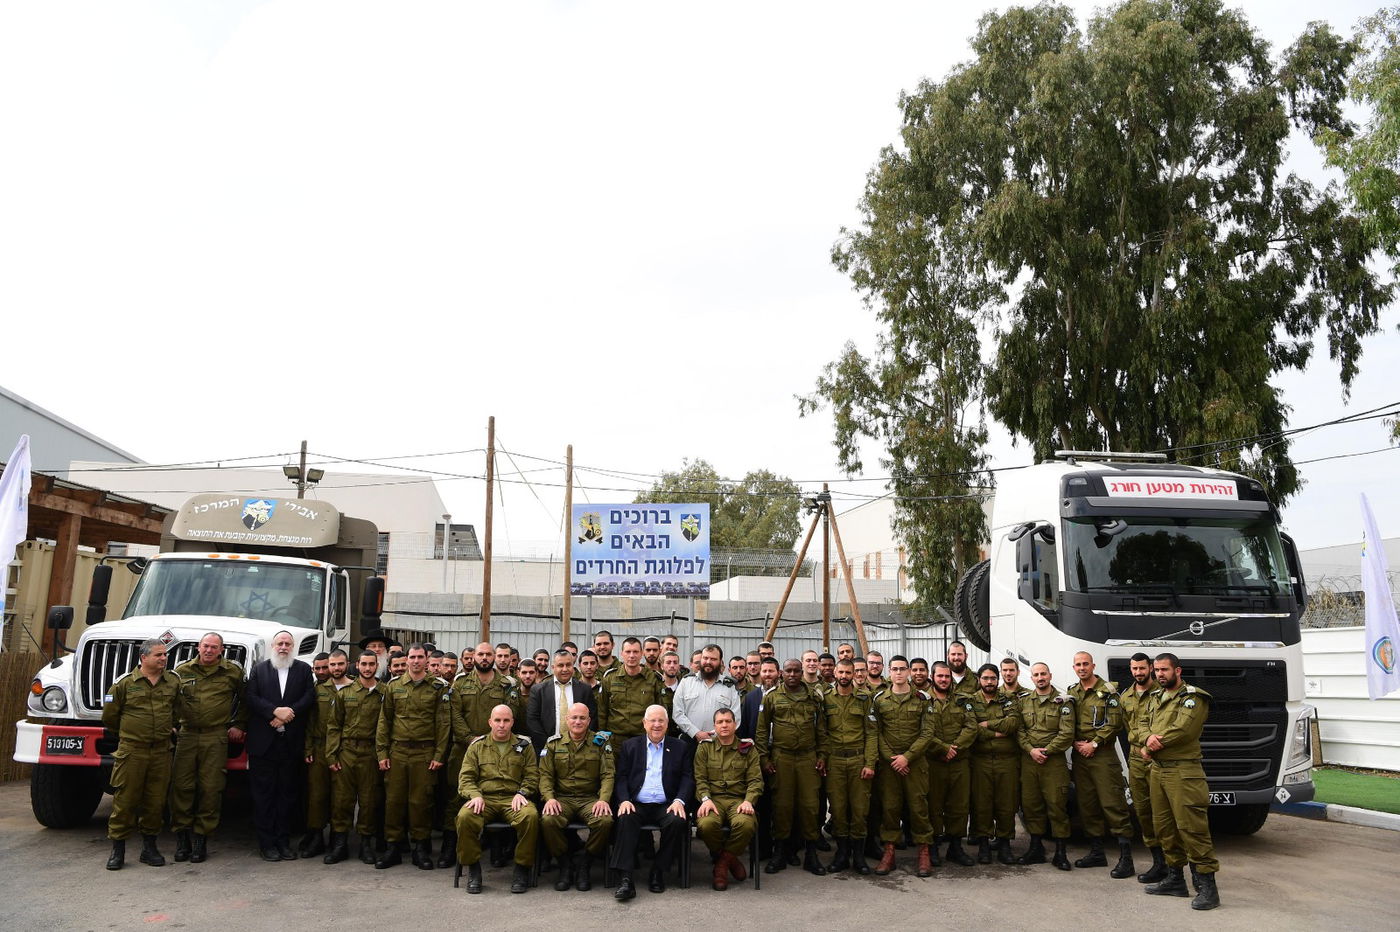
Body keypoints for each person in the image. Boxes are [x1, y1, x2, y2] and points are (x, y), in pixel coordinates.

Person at [1142, 652, 1220, 910]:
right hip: (1158, 771)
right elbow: (1142, 723)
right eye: (1157, 670)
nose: (1160, 674)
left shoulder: (1193, 697)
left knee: (1192, 828)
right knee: (1163, 827)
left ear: (1178, 670)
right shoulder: (1154, 696)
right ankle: (1175, 879)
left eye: (1164, 670)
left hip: (1183, 772)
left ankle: (1207, 886)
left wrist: (1153, 743)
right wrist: (1145, 740)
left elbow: (1184, 729)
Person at [102, 638, 180, 870]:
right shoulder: (125, 684)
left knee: (155, 802)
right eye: (158, 655)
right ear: (143, 658)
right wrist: (132, 734)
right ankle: (118, 851)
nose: (163, 658)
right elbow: (110, 717)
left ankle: (149, 848)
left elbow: (177, 711)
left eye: (165, 654)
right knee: (125, 801)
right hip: (132, 752)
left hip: (161, 752)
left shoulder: (172, 683)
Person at [446, 641, 523, 868]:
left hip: (498, 749)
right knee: (455, 797)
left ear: (495, 657)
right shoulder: (461, 683)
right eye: (480, 654)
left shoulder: (507, 685)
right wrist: (472, 740)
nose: (484, 658)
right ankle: (452, 847)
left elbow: (512, 713)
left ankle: (496, 848)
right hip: (464, 748)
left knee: (496, 794)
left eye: (489, 654)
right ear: (472, 657)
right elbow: (455, 715)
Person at [169, 632, 245, 864]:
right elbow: (169, 700)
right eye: (206, 646)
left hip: (215, 737)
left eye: (214, 647)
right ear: (198, 648)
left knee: (211, 789)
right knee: (181, 787)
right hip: (187, 736)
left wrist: (239, 724)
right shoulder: (182, 671)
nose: (209, 650)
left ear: (221, 650)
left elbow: (245, 699)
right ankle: (183, 839)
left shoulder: (232, 672)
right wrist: (171, 726)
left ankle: (201, 839)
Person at [374, 643, 450, 870]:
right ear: (406, 660)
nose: (416, 661)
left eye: (420, 657)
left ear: (427, 660)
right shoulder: (393, 686)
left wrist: (439, 754)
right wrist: (382, 752)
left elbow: (443, 724)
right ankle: (393, 847)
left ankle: (420, 848)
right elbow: (384, 721)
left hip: (424, 753)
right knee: (394, 801)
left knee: (421, 802)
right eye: (412, 657)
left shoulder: (437, 687)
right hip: (397, 752)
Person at [245, 630, 316, 862]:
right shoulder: (259, 669)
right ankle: (267, 844)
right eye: (280, 643)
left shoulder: (304, 670)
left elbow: (308, 697)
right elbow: (252, 698)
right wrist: (274, 712)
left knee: (287, 796)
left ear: (293, 647)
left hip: (290, 745)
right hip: (263, 745)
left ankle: (283, 842)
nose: (283, 647)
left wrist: (288, 714)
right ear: (272, 646)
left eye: (287, 643)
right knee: (264, 796)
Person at [610, 705, 693, 900]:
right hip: (636, 802)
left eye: (661, 721)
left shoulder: (680, 747)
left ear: (667, 724)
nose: (656, 725)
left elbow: (687, 777)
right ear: (644, 723)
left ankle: (658, 870)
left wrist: (680, 800)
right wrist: (623, 800)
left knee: (677, 821)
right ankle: (626, 879)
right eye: (652, 721)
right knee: (625, 817)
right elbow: (620, 777)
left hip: (667, 803)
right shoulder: (630, 746)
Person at [455, 704, 539, 894]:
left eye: (506, 720)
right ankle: (473, 869)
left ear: (512, 722)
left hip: (513, 799)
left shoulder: (524, 746)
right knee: (465, 817)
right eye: (498, 720)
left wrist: (523, 792)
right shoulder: (477, 746)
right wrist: (475, 795)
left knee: (530, 816)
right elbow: (465, 778)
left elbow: (532, 776)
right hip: (485, 799)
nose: (502, 725)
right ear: (490, 722)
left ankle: (521, 869)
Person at [757, 658, 827, 875]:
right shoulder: (771, 697)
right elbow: (761, 732)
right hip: (782, 758)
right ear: (781, 673)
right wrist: (765, 759)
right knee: (782, 806)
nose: (793, 675)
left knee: (810, 806)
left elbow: (821, 730)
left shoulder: (814, 697)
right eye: (789, 671)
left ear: (802, 671)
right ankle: (780, 852)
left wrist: (822, 755)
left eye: (797, 671)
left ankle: (811, 854)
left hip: (808, 758)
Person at [1068, 651, 1135, 877]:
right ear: (1074, 667)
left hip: (1102, 756)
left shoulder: (1109, 692)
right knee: (1087, 806)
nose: (1082, 667)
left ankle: (1126, 858)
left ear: (1093, 665)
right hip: (1080, 757)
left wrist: (1094, 744)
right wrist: (1076, 743)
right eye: (1078, 664)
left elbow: (1115, 724)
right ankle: (1097, 852)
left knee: (1113, 804)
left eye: (1085, 664)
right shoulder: (1072, 692)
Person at [870, 655, 935, 876]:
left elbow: (927, 733)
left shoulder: (923, 699)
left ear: (908, 672)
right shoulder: (879, 700)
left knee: (918, 808)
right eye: (895, 669)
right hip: (890, 766)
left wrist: (907, 757)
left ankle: (924, 853)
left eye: (902, 669)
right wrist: (892, 759)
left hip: (915, 764)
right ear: (889, 671)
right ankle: (889, 853)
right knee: (890, 808)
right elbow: (876, 732)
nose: (898, 673)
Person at [539, 702, 615, 891]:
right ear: (567, 720)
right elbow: (545, 775)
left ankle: (585, 863)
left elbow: (608, 775)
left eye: (582, 718)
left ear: (589, 720)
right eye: (574, 717)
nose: (578, 721)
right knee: (548, 820)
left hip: (590, 799)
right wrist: (549, 798)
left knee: (604, 821)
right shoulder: (553, 743)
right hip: (562, 799)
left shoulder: (600, 742)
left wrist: (603, 800)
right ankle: (565, 864)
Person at [325, 650, 385, 865]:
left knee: (369, 801)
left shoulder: (384, 692)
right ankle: (340, 844)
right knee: (342, 800)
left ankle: (365, 845)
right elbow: (334, 726)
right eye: (364, 664)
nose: (368, 668)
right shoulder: (345, 693)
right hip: (347, 751)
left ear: (377, 666)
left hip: (371, 753)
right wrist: (331, 756)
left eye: (371, 664)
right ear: (357, 665)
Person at [694, 708, 762, 891]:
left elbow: (756, 780)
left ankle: (722, 864)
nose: (724, 725)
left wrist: (749, 801)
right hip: (713, 800)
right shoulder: (704, 748)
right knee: (706, 825)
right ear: (714, 726)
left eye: (728, 721)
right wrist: (705, 799)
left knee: (746, 824)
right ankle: (731, 861)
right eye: (720, 722)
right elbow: (699, 779)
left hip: (738, 800)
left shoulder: (747, 748)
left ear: (735, 724)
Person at [1015, 662, 1075, 870]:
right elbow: (1019, 730)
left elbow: (1067, 733)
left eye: (1043, 674)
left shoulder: (1063, 702)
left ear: (1050, 675)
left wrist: (1047, 751)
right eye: (1036, 675)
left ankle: (1060, 853)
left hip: (1053, 763)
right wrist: (1031, 750)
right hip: (1029, 761)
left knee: (1057, 806)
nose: (1040, 677)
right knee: (1031, 806)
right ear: (1031, 678)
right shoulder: (1023, 702)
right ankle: (1035, 848)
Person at [820, 657, 876, 874]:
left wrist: (870, 762)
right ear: (835, 673)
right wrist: (823, 758)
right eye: (840, 673)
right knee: (838, 809)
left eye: (848, 673)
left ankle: (859, 856)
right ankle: (842, 854)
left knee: (860, 810)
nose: (844, 677)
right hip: (834, 761)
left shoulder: (864, 698)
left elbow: (872, 733)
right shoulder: (825, 699)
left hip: (858, 761)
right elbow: (822, 732)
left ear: (855, 674)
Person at [925, 660, 980, 867]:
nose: (944, 680)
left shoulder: (962, 700)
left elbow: (971, 727)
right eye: (940, 676)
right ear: (933, 677)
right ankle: (933, 847)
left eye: (947, 676)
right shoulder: (923, 700)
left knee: (959, 806)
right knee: (934, 806)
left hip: (959, 762)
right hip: (933, 763)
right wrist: (942, 749)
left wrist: (953, 748)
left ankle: (955, 848)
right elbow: (922, 732)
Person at [1121, 651, 1166, 883]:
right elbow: (1127, 726)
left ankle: (1174, 864)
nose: (1138, 672)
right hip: (1136, 761)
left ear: (1150, 668)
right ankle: (1158, 862)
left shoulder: (1163, 693)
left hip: (1159, 759)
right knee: (1144, 812)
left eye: (1142, 668)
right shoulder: (1125, 697)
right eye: (1134, 669)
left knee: (1164, 814)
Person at [969, 663, 1020, 865]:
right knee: (982, 804)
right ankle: (983, 844)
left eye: (992, 678)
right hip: (980, 761)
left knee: (1006, 804)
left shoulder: (1009, 699)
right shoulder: (971, 702)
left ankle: (1005, 843)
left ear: (998, 680)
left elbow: (1013, 724)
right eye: (985, 678)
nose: (989, 682)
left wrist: (988, 725)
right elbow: (973, 729)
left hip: (1006, 761)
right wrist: (1000, 732)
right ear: (979, 680)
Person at [597, 637, 663, 754]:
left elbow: (660, 709)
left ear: (642, 653)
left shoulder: (653, 678)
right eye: (628, 652)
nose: (632, 656)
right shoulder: (610, 678)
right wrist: (602, 737)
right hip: (615, 740)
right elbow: (602, 711)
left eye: (635, 652)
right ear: (622, 653)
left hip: (643, 738)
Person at [526, 649, 598, 751]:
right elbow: (532, 721)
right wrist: (549, 745)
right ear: (553, 667)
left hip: (579, 749)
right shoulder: (538, 690)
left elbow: (592, 718)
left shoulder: (585, 690)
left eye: (568, 665)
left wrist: (582, 742)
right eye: (560, 665)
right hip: (547, 749)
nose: (565, 669)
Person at [671, 644, 742, 743]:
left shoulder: (730, 686)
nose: (708, 662)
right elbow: (677, 713)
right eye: (705, 658)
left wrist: (715, 735)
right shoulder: (686, 682)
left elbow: (736, 718)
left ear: (720, 662)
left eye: (713, 659)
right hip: (689, 741)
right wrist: (695, 732)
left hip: (719, 743)